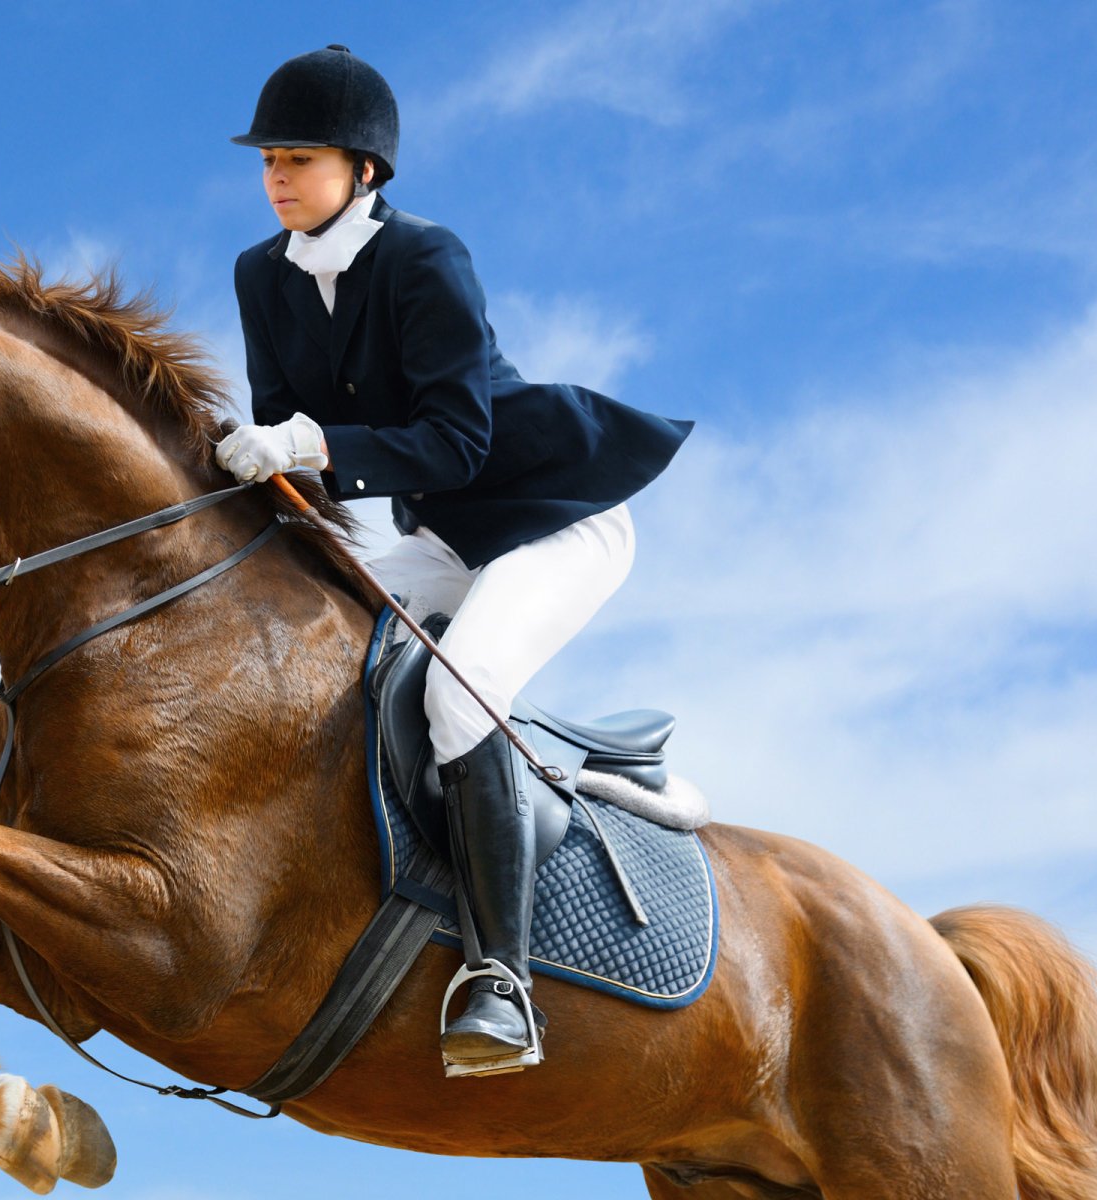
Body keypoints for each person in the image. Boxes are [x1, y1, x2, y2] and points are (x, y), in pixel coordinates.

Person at [218, 45, 692, 1075]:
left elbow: (457, 444)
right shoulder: (263, 275)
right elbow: (279, 439)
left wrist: (311, 445)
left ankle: (502, 980)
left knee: (456, 702)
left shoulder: (426, 258)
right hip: (445, 532)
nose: (276, 178)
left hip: (553, 513)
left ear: (365, 170)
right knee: (336, 668)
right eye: (268, 162)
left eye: (297, 158)